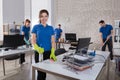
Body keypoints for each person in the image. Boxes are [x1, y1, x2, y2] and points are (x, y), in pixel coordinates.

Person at [31, 9, 57, 80]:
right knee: (40, 72)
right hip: (39, 53)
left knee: (44, 72)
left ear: (48, 17)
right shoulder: (36, 27)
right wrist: (37, 48)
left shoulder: (51, 28)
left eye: (45, 16)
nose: (44, 18)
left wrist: (53, 52)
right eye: (42, 16)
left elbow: (53, 41)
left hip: (48, 52)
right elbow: (33, 40)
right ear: (39, 17)